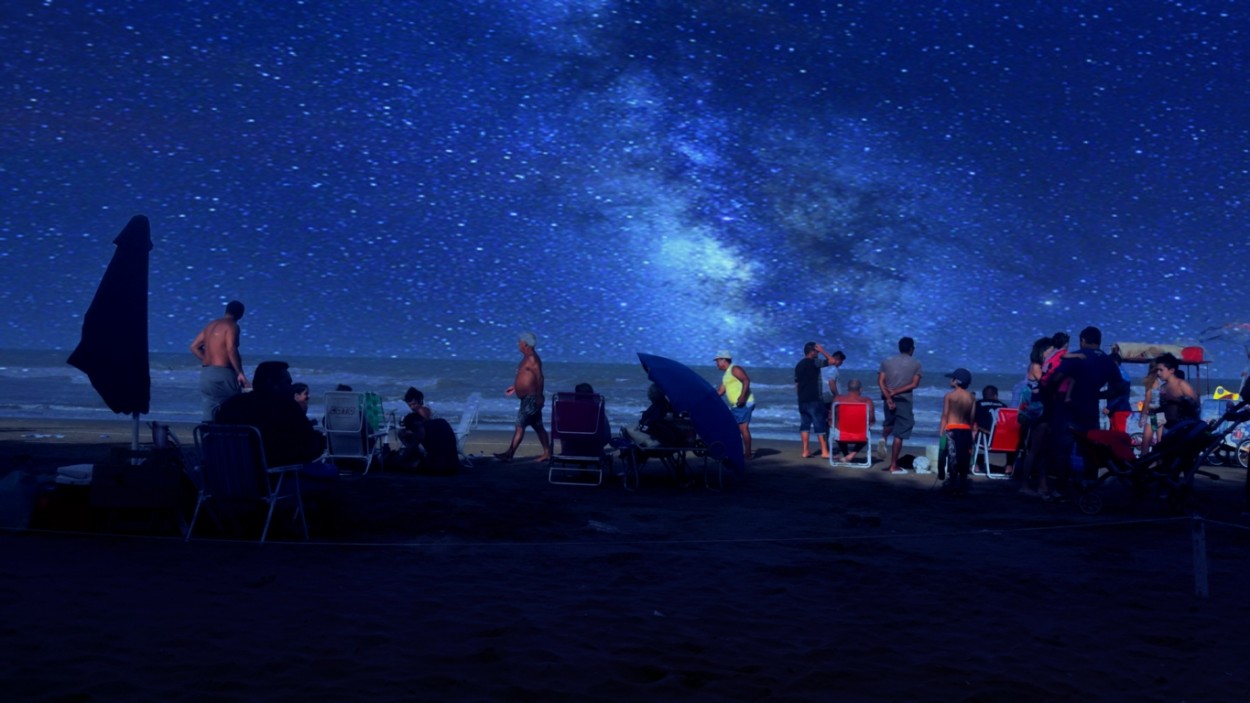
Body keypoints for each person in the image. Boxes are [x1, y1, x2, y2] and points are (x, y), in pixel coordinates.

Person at [215, 360, 335, 488]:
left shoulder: (230, 405)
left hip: (228, 481)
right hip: (271, 481)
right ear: (271, 383)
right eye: (287, 383)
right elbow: (308, 447)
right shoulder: (286, 407)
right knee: (330, 472)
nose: (291, 388)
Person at [495, 331, 551, 463]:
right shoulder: (526, 358)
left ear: (525, 344)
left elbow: (539, 377)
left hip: (530, 399)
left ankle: (509, 454)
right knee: (538, 426)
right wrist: (515, 387)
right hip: (528, 398)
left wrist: (539, 397)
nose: (518, 344)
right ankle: (547, 453)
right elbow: (527, 378)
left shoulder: (532, 358)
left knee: (520, 425)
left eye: (519, 342)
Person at [189, 300, 248, 421]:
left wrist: (206, 359)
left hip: (206, 374)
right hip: (223, 374)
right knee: (234, 408)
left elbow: (194, 347)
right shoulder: (232, 325)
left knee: (209, 413)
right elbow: (231, 348)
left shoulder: (211, 325)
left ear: (226, 310)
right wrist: (239, 373)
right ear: (240, 314)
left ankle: (207, 439)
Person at [878, 336, 923, 474]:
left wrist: (889, 397)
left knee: (889, 424)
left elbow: (881, 382)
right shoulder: (916, 364)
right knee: (900, 433)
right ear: (912, 349)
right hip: (904, 401)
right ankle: (893, 465)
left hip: (888, 400)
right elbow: (914, 384)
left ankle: (883, 437)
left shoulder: (886, 361)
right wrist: (896, 391)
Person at [394, 387, 459, 474]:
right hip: (442, 437)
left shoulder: (422, 410)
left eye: (414, 404)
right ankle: (412, 452)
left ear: (420, 400)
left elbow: (424, 429)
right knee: (406, 435)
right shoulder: (422, 411)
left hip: (436, 439)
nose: (413, 407)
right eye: (410, 405)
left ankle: (411, 453)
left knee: (402, 434)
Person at [795, 341, 835, 458]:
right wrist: (823, 351)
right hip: (814, 399)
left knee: (805, 425)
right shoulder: (814, 362)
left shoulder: (799, 365)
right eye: (816, 351)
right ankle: (824, 451)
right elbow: (832, 361)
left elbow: (797, 384)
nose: (817, 352)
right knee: (819, 425)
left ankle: (805, 450)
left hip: (802, 399)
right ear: (812, 351)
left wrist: (800, 396)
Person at [940, 368, 976, 494]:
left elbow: (945, 415)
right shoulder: (971, 397)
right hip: (966, 430)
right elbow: (972, 417)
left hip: (952, 429)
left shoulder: (949, 396)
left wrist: (941, 431)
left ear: (956, 381)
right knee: (964, 456)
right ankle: (963, 481)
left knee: (952, 456)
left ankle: (953, 482)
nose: (950, 380)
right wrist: (972, 431)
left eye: (952, 378)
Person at [715, 350, 755, 460]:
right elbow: (720, 391)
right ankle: (735, 451)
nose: (716, 364)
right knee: (733, 427)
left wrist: (742, 397)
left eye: (717, 361)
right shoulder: (726, 375)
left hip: (745, 403)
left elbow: (746, 380)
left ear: (723, 360)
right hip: (736, 406)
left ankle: (748, 454)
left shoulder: (734, 368)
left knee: (743, 427)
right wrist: (708, 397)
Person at [832, 378, 876, 463]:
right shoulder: (867, 401)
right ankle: (852, 454)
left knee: (837, 428)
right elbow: (872, 419)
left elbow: (832, 417)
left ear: (847, 389)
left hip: (841, 435)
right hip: (860, 435)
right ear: (860, 389)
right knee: (866, 433)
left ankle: (846, 455)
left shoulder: (838, 399)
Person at [1154, 352, 1200, 432]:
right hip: (1168, 427)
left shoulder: (1182, 384)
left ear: (1171, 370)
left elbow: (1195, 405)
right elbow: (1161, 409)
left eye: (1161, 370)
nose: (1158, 373)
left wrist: (1180, 401)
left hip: (1183, 427)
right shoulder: (1163, 387)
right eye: (1157, 370)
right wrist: (1156, 430)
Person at [821, 349, 847, 421]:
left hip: (821, 397)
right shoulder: (833, 369)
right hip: (830, 398)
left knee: (823, 418)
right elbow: (831, 382)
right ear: (838, 360)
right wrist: (837, 396)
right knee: (832, 418)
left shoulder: (823, 368)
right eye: (841, 362)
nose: (841, 364)